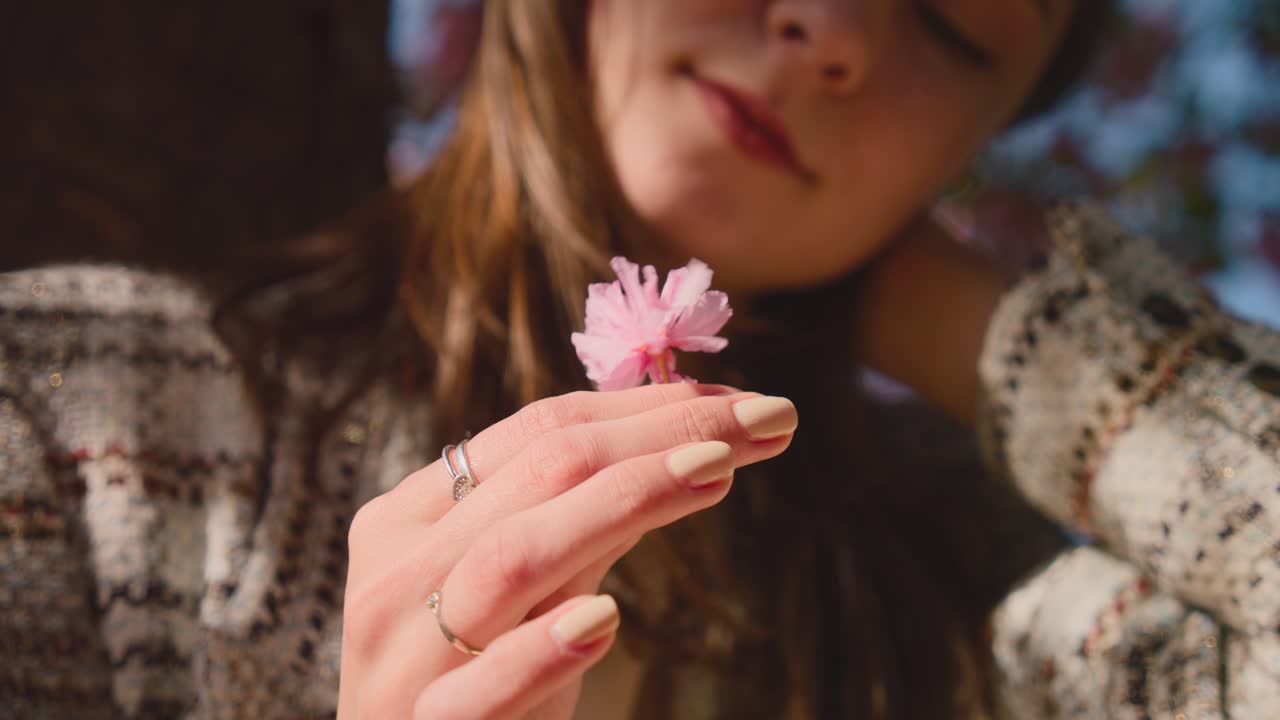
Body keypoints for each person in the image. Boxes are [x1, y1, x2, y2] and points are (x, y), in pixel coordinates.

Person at [3, 1, 1278, 718]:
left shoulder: (975, 608)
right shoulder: (65, 414)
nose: (831, 29)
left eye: (953, 22)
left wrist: (982, 320)